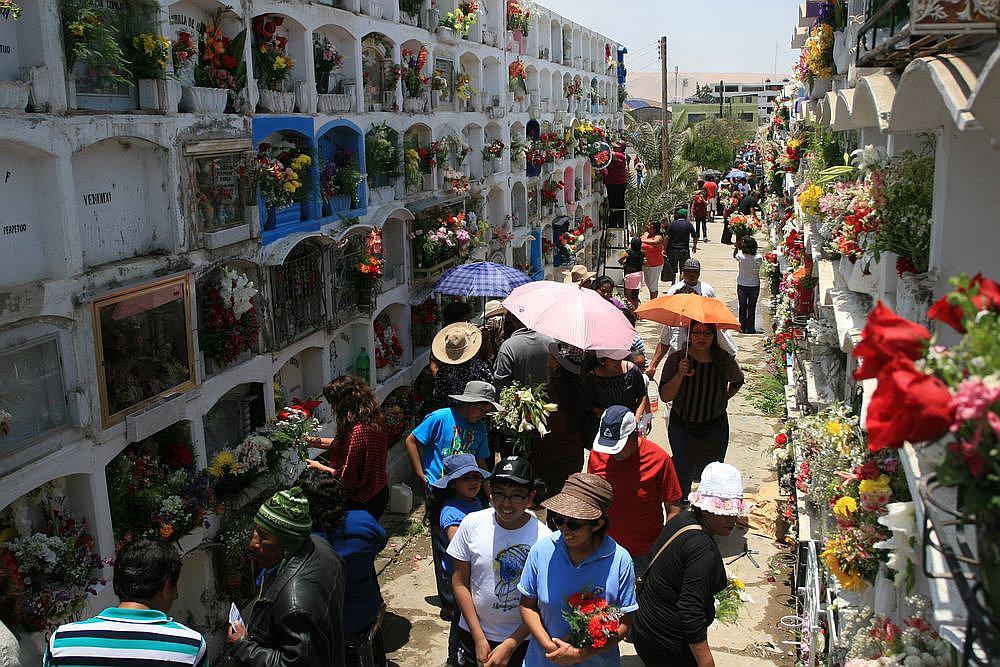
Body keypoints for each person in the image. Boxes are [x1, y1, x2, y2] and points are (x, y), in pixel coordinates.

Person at [630, 463, 750, 666]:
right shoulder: (702, 549)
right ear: (706, 508)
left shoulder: (682, 520)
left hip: (645, 630)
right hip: (667, 645)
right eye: (724, 512)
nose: (732, 519)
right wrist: (705, 662)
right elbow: (690, 610)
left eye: (734, 512)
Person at [518, 473, 638, 666]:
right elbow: (527, 605)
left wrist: (581, 654)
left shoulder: (620, 560)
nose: (564, 529)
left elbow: (625, 622)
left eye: (573, 524)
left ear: (597, 524)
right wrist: (550, 647)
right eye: (559, 520)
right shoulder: (541, 550)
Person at [448, 457, 552, 667]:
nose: (506, 503)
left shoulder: (545, 540)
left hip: (523, 640)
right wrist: (478, 637)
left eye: (517, 496)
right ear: (490, 492)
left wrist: (511, 644)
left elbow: (543, 602)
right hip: (472, 633)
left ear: (531, 497)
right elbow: (459, 582)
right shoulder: (471, 524)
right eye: (500, 494)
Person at [226, 487, 346, 667]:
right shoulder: (320, 546)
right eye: (256, 531)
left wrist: (244, 647)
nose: (253, 543)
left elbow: (296, 663)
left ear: (287, 543)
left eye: (263, 536)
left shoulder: (295, 604)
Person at [44, 539, 207, 666]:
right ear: (165, 587)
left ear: (117, 583)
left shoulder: (61, 641)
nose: (176, 595)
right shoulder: (190, 646)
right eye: (174, 586)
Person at [298, 471, 388, 665]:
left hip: (326, 626)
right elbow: (381, 542)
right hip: (366, 610)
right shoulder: (363, 521)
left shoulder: (304, 543)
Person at [586, 406, 682, 567]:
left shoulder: (659, 460)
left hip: (645, 553)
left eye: (618, 447)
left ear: (634, 435)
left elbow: (673, 508)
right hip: (603, 549)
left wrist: (664, 546)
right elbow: (591, 499)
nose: (612, 453)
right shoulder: (597, 454)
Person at [659, 322, 744, 497]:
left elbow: (737, 380)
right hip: (682, 425)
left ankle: (707, 507)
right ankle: (682, 504)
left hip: (714, 426)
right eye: (697, 332)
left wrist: (723, 398)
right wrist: (680, 374)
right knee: (682, 470)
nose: (702, 337)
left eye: (707, 333)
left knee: (712, 473)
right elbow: (665, 396)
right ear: (689, 334)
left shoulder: (723, 360)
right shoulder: (677, 359)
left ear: (714, 336)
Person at [306, 375, 389, 519]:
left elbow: (349, 478)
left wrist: (319, 467)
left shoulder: (359, 431)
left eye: (333, 403)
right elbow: (345, 444)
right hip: (379, 489)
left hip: (363, 500)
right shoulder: (373, 419)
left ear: (343, 403)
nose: (333, 408)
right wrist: (314, 442)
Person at [429, 454, 490, 647]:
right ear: (453, 483)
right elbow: (458, 547)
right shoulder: (451, 512)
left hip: (476, 570)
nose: (473, 482)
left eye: (476, 477)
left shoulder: (475, 501)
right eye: (466, 478)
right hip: (461, 573)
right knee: (462, 616)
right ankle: (455, 654)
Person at [645, 259, 727, 382]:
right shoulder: (674, 292)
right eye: (688, 272)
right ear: (683, 273)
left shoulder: (708, 291)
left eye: (695, 272)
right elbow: (664, 342)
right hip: (676, 362)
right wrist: (653, 365)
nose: (692, 275)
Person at [406, 380, 496, 488]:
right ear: (468, 403)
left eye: (486, 412)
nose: (483, 415)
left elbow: (480, 461)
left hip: (463, 489)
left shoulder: (480, 428)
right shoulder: (440, 417)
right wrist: (420, 475)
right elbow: (411, 441)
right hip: (435, 484)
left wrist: (489, 490)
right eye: (481, 409)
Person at [533, 343, 588, 507]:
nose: (546, 363)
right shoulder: (582, 388)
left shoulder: (547, 393)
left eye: (550, 358)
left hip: (549, 458)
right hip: (573, 456)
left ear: (557, 364)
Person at [581, 349, 649, 451]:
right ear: (602, 361)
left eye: (620, 359)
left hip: (628, 427)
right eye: (614, 360)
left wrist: (636, 419)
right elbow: (587, 405)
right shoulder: (591, 378)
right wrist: (609, 416)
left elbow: (642, 395)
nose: (618, 363)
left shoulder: (632, 370)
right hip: (603, 429)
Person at [432, 323, 495, 408]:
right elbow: (489, 391)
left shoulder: (444, 369)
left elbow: (438, 396)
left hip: (450, 412)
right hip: (473, 412)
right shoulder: (479, 368)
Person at [494, 312, 556, 392]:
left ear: (512, 319)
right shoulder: (551, 341)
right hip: (550, 398)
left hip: (517, 398)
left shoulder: (508, 347)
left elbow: (501, 383)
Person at [734, 236, 763, 334]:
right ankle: (751, 328)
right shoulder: (758, 257)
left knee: (742, 307)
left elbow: (735, 255)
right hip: (754, 284)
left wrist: (736, 247)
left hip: (742, 284)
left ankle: (742, 326)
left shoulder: (740, 256)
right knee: (752, 307)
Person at [663, 209, 698, 286]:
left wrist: (664, 249)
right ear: (685, 216)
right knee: (683, 268)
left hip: (673, 250)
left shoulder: (672, 224)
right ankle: (681, 285)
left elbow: (666, 237)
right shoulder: (688, 224)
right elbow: (695, 236)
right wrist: (694, 246)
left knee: (673, 268)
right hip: (684, 249)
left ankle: (673, 284)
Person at [602, 141, 629, 228]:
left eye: (616, 146)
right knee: (613, 203)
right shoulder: (616, 155)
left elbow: (609, 153)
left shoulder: (620, 155)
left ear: (620, 148)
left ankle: (620, 223)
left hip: (618, 183)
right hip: (612, 182)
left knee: (618, 203)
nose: (613, 148)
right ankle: (613, 223)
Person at [639, 220, 665, 300]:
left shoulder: (658, 237)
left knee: (652, 285)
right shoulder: (646, 234)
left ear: (655, 228)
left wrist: (640, 240)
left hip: (655, 264)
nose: (647, 227)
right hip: (645, 263)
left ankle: (653, 301)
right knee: (648, 283)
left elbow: (655, 242)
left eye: (650, 226)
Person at [618, 237, 644, 309]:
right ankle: (636, 310)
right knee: (635, 295)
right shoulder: (642, 253)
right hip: (639, 274)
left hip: (630, 274)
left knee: (628, 295)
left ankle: (633, 311)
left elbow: (620, 260)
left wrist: (624, 263)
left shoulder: (628, 252)